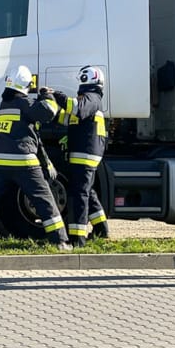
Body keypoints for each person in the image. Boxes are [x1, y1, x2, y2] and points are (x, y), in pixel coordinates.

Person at [0, 65, 72, 251]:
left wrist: (46, 159)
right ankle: (60, 241)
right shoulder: (24, 104)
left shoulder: (5, 105)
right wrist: (46, 95)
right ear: (26, 85)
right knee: (44, 199)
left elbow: (31, 132)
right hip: (23, 163)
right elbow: (48, 112)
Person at [53, 65, 109, 248]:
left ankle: (78, 239)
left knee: (79, 194)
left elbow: (77, 109)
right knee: (87, 191)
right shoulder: (88, 98)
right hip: (83, 153)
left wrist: (58, 96)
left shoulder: (91, 98)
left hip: (85, 154)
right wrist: (50, 104)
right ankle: (101, 229)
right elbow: (66, 118)